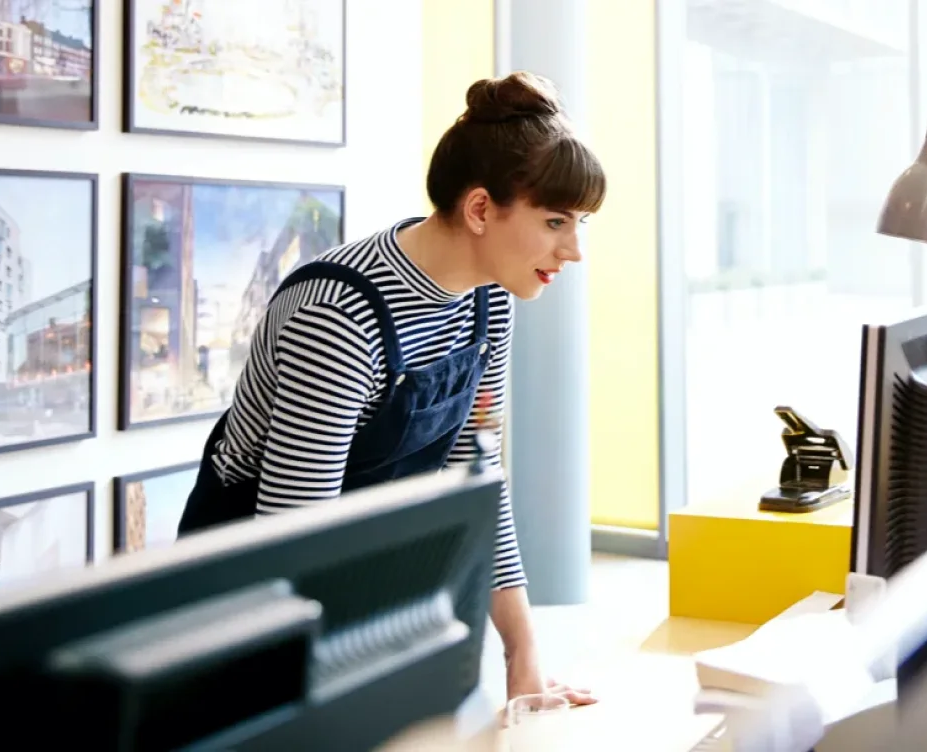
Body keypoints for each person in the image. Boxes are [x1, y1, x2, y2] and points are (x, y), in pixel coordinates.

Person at [175, 70, 605, 706]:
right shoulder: (340, 315)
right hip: (246, 603)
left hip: (353, 578)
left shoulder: (490, 299)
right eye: (556, 221)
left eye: (580, 224)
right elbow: (298, 530)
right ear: (481, 208)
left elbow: (477, 478)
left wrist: (523, 655)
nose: (573, 250)